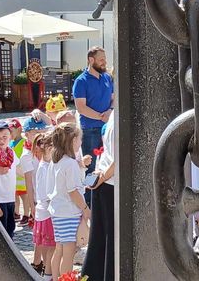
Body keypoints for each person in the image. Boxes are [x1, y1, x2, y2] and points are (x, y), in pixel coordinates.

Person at [46, 122, 90, 281]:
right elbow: (73, 192)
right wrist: (85, 208)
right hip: (69, 213)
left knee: (59, 250)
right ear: (72, 141)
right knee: (69, 254)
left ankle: (55, 277)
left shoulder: (56, 160)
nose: (81, 143)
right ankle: (66, 279)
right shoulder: (69, 164)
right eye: (79, 139)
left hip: (57, 211)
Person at [72, 47, 115, 204]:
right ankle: (89, 204)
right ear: (91, 60)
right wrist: (100, 117)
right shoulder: (81, 81)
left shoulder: (107, 78)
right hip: (90, 129)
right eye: (101, 59)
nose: (105, 62)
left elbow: (113, 99)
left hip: (106, 128)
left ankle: (101, 199)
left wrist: (110, 111)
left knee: (106, 163)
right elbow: (80, 107)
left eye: (105, 58)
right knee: (90, 166)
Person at [83, 111, 116, 281]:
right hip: (108, 182)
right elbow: (120, 156)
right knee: (108, 241)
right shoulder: (116, 114)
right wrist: (102, 176)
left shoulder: (114, 114)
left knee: (101, 241)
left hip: (104, 181)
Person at [31, 133, 56, 279]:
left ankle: (48, 273)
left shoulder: (48, 165)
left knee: (49, 247)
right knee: (50, 247)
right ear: (44, 148)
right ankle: (48, 275)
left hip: (46, 211)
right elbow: (43, 193)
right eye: (51, 147)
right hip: (47, 211)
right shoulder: (44, 167)